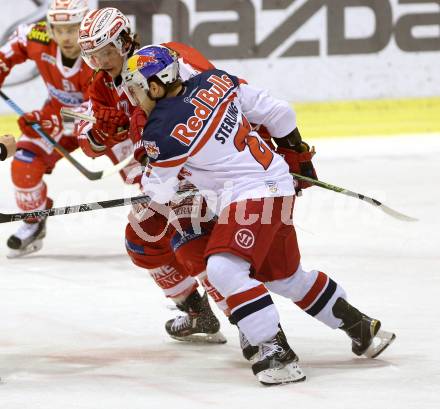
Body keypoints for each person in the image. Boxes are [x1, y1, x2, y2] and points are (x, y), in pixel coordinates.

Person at [121, 45, 396, 386]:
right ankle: (361, 327)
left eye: (135, 88)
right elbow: (278, 113)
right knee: (285, 278)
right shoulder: (215, 81)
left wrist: (156, 177)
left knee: (223, 268)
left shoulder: (161, 129)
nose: (133, 98)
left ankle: (275, 352)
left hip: (253, 195)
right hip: (276, 183)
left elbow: (159, 192)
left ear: (157, 85)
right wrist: (296, 151)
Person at [76, 8, 226, 344]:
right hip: (156, 180)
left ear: (125, 40)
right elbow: (86, 134)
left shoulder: (162, 62)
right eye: (93, 56)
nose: (101, 62)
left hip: (193, 170)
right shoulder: (101, 86)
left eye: (106, 51)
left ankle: (251, 325)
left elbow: (214, 96)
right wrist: (101, 134)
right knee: (142, 244)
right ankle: (197, 312)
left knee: (192, 246)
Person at [0, 0, 92, 257]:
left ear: (84, 25)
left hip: (107, 123)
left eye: (72, 29)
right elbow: (10, 50)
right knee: (24, 161)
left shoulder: (99, 49)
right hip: (56, 114)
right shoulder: (37, 35)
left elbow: (102, 108)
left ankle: (174, 218)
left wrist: (52, 121)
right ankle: (33, 220)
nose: (66, 37)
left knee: (142, 172)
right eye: (59, 29)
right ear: (50, 27)